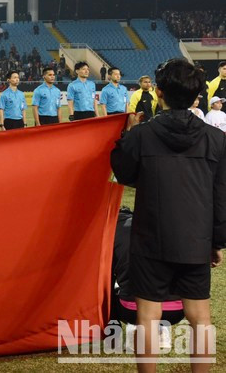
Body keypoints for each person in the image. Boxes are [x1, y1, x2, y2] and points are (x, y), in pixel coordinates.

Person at [111, 58, 225, 373]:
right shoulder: (216, 139)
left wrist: (127, 136)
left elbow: (123, 174)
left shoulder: (142, 135)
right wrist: (217, 242)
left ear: (159, 92)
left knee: (148, 317)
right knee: (200, 318)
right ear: (196, 96)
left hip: (150, 237)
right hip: (195, 239)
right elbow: (220, 196)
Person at [110, 207, 185, 352]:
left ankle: (116, 335)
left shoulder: (115, 231)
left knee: (109, 286)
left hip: (132, 310)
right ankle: (161, 332)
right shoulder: (174, 227)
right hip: (176, 311)